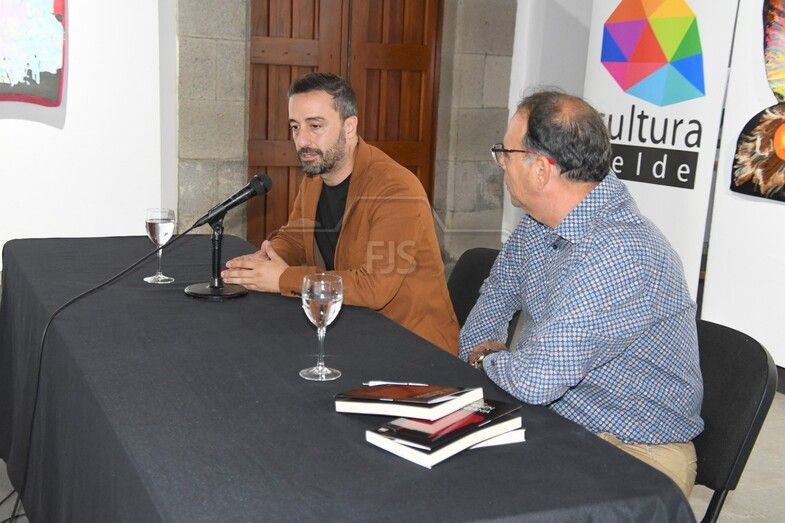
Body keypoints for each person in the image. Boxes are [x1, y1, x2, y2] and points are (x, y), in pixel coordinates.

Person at [459, 90, 703, 496]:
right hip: (555, 419)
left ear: (541, 170)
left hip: (632, 448)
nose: (500, 163)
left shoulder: (619, 252)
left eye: (505, 152)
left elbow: (536, 380)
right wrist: (482, 353)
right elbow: (497, 293)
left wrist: (486, 358)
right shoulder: (538, 225)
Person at [222, 72, 459, 354]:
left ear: (349, 127)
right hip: (350, 330)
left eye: (315, 126)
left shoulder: (396, 189)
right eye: (295, 127)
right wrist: (266, 259)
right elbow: (296, 238)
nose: (302, 140)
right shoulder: (316, 176)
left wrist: (283, 279)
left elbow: (374, 287)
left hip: (411, 347)